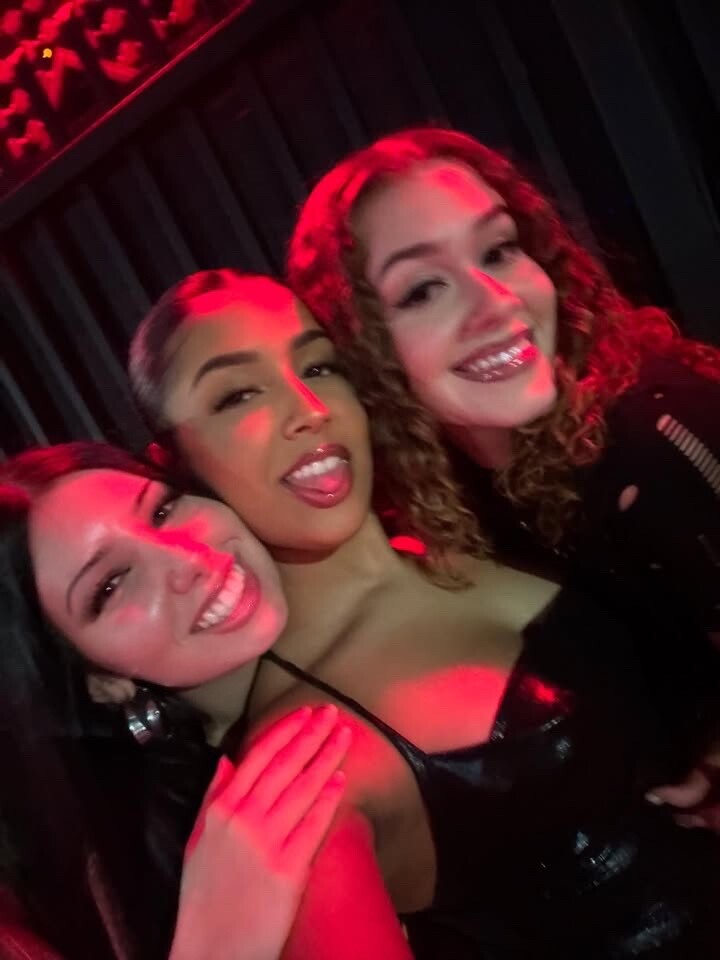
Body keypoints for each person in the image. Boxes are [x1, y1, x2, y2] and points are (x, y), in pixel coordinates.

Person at [128, 269, 720, 958]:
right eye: (237, 394)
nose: (309, 408)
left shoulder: (461, 514)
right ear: (177, 466)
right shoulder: (305, 761)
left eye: (318, 366)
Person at [287, 125, 720, 816]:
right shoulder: (441, 500)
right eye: (423, 290)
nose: (496, 300)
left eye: (498, 250)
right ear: (363, 351)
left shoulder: (656, 439)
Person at [0, 442, 351, 960]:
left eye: (162, 510)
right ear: (101, 682)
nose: (190, 558)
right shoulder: (135, 877)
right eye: (111, 585)